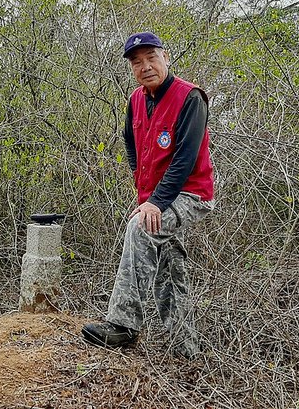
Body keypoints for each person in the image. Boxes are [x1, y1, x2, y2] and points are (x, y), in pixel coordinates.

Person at [81, 31, 215, 358]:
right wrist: (142, 189)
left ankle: (124, 325)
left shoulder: (190, 98)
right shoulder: (136, 100)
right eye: (137, 62)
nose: (146, 67)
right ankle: (187, 353)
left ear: (165, 57)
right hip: (156, 197)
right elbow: (130, 142)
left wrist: (154, 202)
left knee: (140, 229)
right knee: (171, 271)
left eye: (151, 58)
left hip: (191, 194)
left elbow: (185, 158)